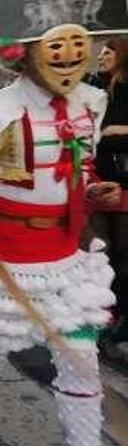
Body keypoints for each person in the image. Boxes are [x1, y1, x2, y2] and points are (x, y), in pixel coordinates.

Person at [0, 0, 123, 446]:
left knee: (82, 363)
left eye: (76, 43)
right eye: (55, 44)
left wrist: (93, 190)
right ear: (24, 52)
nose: (68, 54)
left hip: (69, 257)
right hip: (8, 252)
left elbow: (80, 167)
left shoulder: (92, 103)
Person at [91, 37, 128, 351]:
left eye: (108, 51)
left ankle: (121, 316)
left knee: (124, 257)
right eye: (100, 51)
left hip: (124, 185)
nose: (100, 56)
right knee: (104, 255)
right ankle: (108, 314)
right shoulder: (98, 90)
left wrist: (117, 131)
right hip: (99, 183)